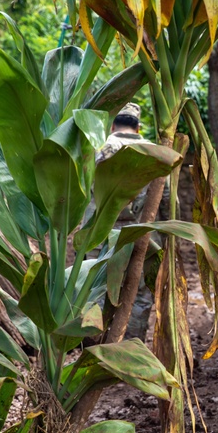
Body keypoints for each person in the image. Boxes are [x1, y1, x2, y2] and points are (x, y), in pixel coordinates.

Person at [96, 102, 171, 340]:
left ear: (113, 125)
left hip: (104, 235)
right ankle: (129, 349)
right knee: (139, 296)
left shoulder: (102, 148)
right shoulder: (153, 151)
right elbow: (166, 197)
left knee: (99, 292)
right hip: (144, 236)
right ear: (138, 127)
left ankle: (96, 351)